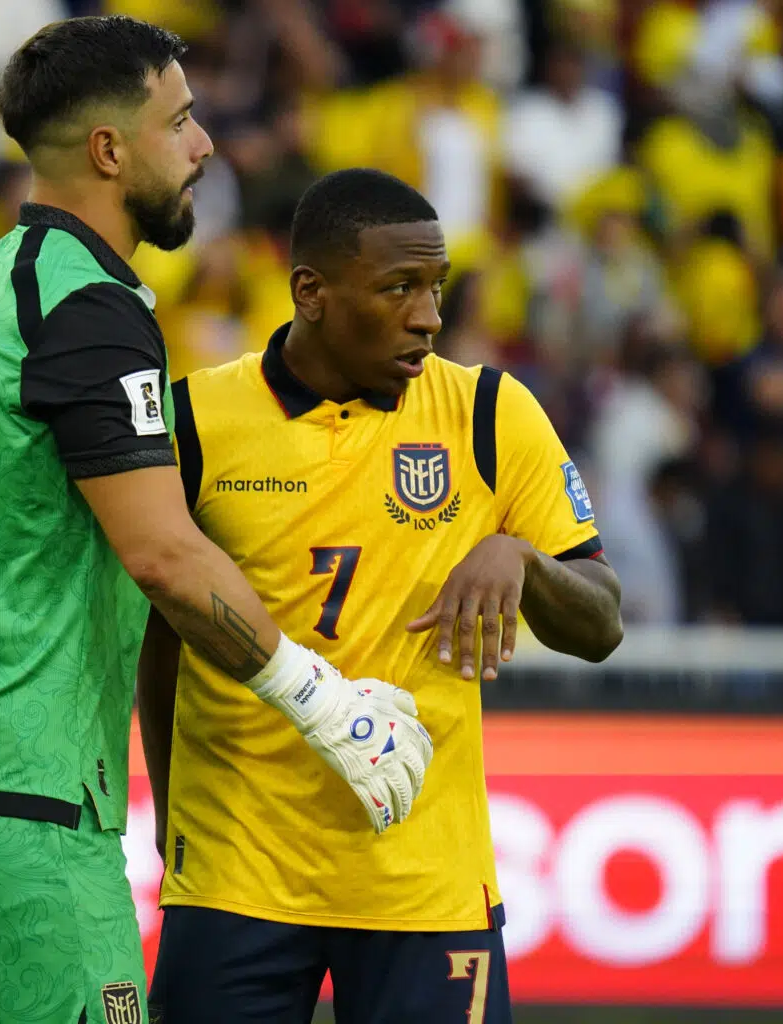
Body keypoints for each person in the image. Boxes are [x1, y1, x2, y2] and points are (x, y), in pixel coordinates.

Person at [0, 19, 432, 1024]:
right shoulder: (90, 307)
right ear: (109, 150)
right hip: (15, 784)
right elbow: (160, 552)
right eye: (180, 121)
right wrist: (321, 700)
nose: (204, 145)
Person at [139, 169, 625, 1024]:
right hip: (235, 873)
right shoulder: (198, 421)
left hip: (424, 885)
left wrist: (522, 558)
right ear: (311, 292)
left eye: (436, 287)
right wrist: (173, 815)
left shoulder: (488, 413)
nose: (429, 317)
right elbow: (163, 630)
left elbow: (603, 622)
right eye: (400, 288)